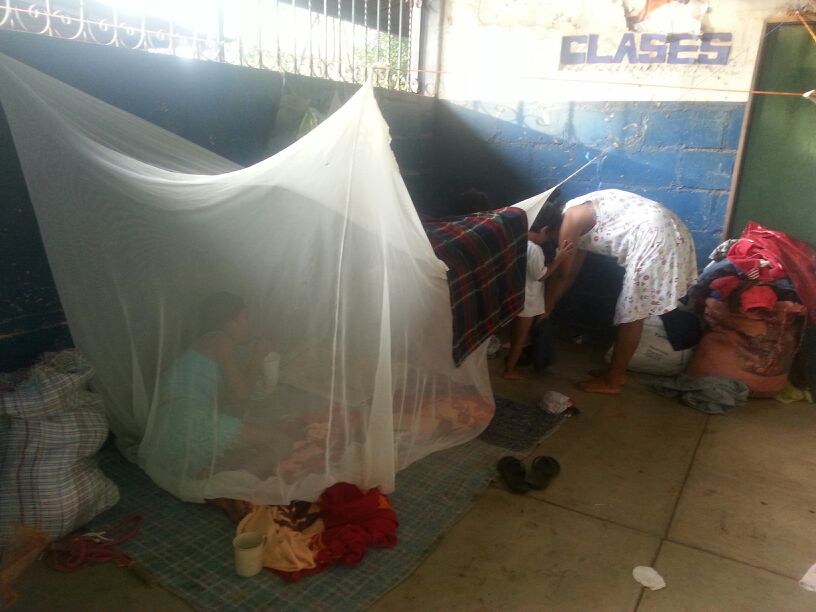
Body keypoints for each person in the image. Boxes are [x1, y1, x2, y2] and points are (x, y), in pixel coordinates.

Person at [543, 189, 697, 394]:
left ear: (546, 228)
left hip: (656, 237)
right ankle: (616, 373)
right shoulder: (577, 212)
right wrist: (548, 306)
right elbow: (569, 274)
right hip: (667, 230)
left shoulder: (571, 218)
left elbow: (561, 275)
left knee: (631, 313)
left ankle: (613, 380)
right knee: (632, 310)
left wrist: (545, 308)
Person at [150, 292, 272, 520]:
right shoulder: (220, 340)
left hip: (167, 429)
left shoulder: (205, 344)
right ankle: (233, 491)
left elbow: (231, 400)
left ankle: (217, 485)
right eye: (245, 317)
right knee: (278, 442)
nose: (249, 324)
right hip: (189, 419)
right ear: (229, 322)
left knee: (248, 448)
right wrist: (258, 355)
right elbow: (242, 394)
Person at [503, 224, 575, 380]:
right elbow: (541, 275)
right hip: (527, 300)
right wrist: (558, 258)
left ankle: (509, 360)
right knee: (519, 339)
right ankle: (509, 370)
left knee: (515, 332)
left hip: (513, 295)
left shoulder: (516, 242)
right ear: (544, 229)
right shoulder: (534, 249)